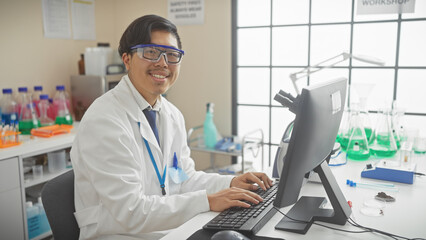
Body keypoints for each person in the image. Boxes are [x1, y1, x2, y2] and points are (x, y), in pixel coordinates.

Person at [71, 14, 273, 240]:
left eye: (172, 55)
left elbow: (183, 179)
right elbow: (130, 211)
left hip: (168, 229)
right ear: (126, 59)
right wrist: (207, 201)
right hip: (118, 234)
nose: (163, 63)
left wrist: (232, 182)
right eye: (151, 52)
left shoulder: (171, 114)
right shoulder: (105, 120)